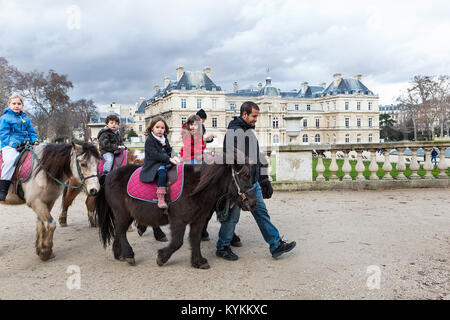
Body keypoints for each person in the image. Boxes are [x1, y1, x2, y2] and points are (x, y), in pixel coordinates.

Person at [216, 101, 296, 260]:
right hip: (238, 185)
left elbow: (258, 157)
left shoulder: (248, 132)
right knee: (232, 216)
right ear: (244, 114)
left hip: (252, 183)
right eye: (254, 116)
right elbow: (229, 158)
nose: (256, 119)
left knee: (261, 213)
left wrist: (264, 179)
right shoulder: (233, 131)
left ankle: (275, 244)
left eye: (257, 116)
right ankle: (222, 246)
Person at [0, 93, 39, 201]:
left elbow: (32, 132)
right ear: (9, 105)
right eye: (14, 103)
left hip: (26, 144)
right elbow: (3, 135)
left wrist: (34, 141)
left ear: (22, 105)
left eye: (19, 103)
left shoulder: (25, 118)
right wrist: (15, 144)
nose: (16, 105)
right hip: (9, 145)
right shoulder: (5, 118)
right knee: (10, 160)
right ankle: (3, 189)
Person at [139, 116, 180, 209]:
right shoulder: (149, 140)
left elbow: (169, 150)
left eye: (162, 128)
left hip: (164, 161)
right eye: (157, 127)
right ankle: (160, 198)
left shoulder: (164, 138)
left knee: (177, 170)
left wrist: (175, 156)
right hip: (153, 164)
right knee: (162, 174)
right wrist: (169, 159)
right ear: (152, 128)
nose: (160, 130)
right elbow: (155, 154)